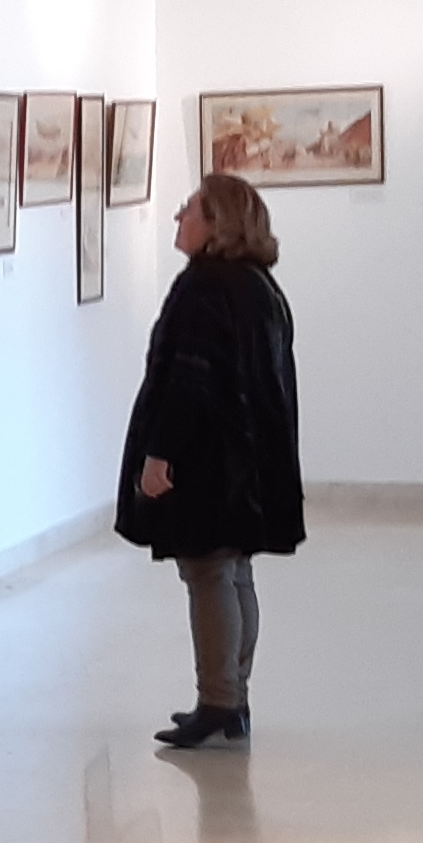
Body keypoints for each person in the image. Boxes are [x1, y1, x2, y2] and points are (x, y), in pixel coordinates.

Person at [116, 171, 303, 751]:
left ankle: (218, 701)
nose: (178, 217)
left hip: (208, 460)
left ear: (218, 222)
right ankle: (234, 697)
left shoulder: (203, 287)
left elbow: (189, 380)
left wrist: (160, 454)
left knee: (208, 573)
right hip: (247, 460)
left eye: (190, 209)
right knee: (234, 570)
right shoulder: (259, 286)